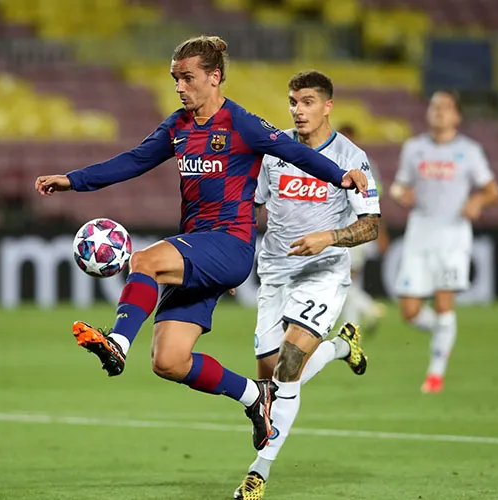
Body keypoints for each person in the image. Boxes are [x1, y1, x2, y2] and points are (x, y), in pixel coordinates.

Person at [34, 36, 368, 452]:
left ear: (214, 77)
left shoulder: (241, 123)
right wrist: (73, 180)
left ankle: (118, 343)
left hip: (229, 243)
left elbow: (292, 152)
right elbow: (133, 161)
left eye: (187, 78)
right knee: (168, 360)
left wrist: (340, 175)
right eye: (175, 78)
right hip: (199, 249)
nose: (179, 86)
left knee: (144, 259)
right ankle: (254, 396)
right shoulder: (177, 126)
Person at [233, 71, 379, 500]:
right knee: (268, 382)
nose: (298, 109)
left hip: (324, 271)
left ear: (328, 105)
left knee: (289, 365)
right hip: (275, 270)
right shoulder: (275, 151)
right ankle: (340, 347)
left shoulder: (352, 157)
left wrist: (327, 239)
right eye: (294, 101)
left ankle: (258, 474)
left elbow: (370, 225)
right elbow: (251, 205)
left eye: (308, 101)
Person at [390, 90, 498, 394]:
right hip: (420, 232)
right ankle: (444, 333)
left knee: (443, 302)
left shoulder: (469, 151)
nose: (439, 112)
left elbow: (492, 190)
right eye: (434, 106)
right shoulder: (414, 148)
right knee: (409, 311)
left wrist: (477, 200)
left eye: (446, 107)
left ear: (457, 116)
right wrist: (401, 194)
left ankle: (435, 374)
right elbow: (399, 186)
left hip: (453, 235)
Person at [337, 123, 390, 334]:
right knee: (349, 282)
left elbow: (374, 203)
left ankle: (369, 308)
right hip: (340, 229)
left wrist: (381, 232)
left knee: (342, 280)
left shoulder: (366, 166)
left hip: (355, 230)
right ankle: (350, 332)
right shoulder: (330, 163)